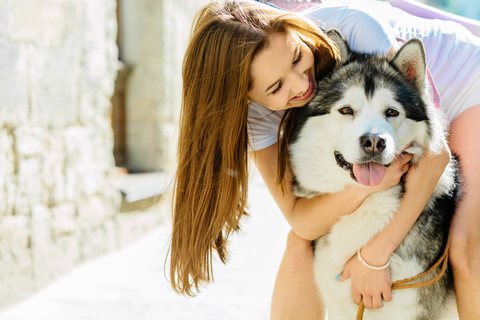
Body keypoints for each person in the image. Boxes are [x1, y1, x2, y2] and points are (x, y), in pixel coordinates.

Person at [169, 0, 480, 319]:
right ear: (246, 99)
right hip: (391, 123)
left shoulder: (353, 27)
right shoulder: (253, 116)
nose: (302, 84)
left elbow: (434, 154)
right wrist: (364, 187)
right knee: (299, 245)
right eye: (277, 87)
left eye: (297, 58)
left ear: (294, 29)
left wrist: (375, 255)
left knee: (464, 242)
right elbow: (301, 219)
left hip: (466, 84)